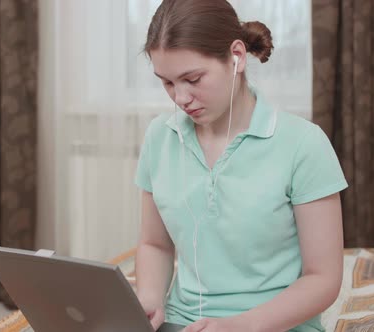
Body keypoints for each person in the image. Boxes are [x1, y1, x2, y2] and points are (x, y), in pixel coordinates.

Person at [134, 1, 348, 332]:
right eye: (167, 82)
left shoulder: (304, 144)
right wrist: (150, 299)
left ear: (237, 57)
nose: (180, 97)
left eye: (192, 78)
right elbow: (155, 244)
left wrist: (238, 326)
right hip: (181, 323)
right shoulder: (159, 138)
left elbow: (323, 279)